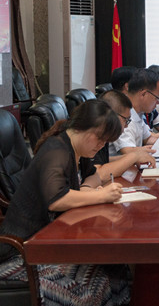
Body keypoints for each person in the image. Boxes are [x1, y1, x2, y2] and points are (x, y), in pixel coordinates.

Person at [0, 99, 130, 305]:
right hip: (24, 252)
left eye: (106, 141)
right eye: (100, 138)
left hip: (52, 239)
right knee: (89, 290)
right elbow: (56, 199)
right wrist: (101, 196)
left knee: (114, 267)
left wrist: (86, 189)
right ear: (81, 127)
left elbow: (94, 175)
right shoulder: (56, 150)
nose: (102, 145)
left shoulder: (79, 149)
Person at [93, 90, 157, 181]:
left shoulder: (103, 135)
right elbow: (99, 175)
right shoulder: (93, 135)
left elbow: (103, 161)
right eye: (126, 120)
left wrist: (134, 157)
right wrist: (134, 157)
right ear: (112, 116)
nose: (127, 126)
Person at [109, 68, 159, 156]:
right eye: (157, 98)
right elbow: (128, 151)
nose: (158, 102)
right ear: (143, 94)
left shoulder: (138, 112)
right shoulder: (123, 114)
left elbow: (148, 138)